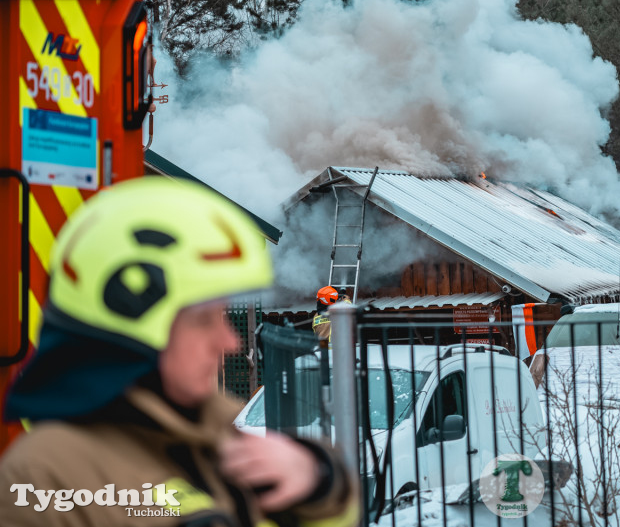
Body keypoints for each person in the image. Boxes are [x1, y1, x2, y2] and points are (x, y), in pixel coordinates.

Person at [0, 178, 358, 526]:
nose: (229, 342)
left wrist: (317, 480)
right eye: (203, 320)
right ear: (130, 329)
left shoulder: (218, 432)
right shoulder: (44, 477)